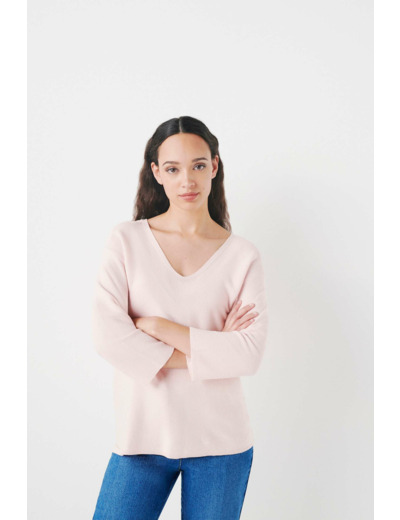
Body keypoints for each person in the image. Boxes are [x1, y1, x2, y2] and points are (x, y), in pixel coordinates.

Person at [91, 115, 269, 519]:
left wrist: (158, 328)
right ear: (156, 172)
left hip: (222, 444)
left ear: (214, 166)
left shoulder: (242, 256)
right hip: (142, 439)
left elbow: (249, 354)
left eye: (198, 165)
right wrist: (213, 349)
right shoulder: (127, 241)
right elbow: (108, 337)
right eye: (173, 168)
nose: (187, 180)